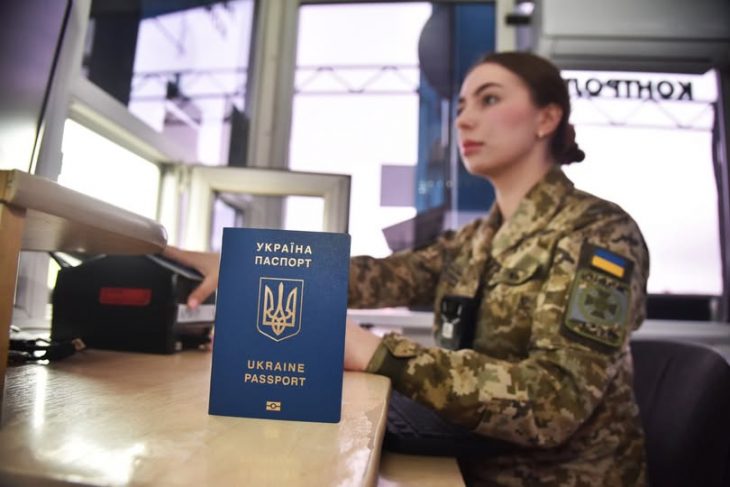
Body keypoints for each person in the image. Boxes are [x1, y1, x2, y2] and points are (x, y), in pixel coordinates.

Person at [164, 51, 649, 486]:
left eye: (489, 99)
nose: (464, 120)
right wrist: (247, 265)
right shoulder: (476, 239)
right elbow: (382, 276)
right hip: (468, 457)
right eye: (461, 106)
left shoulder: (599, 233)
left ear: (546, 118)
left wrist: (379, 353)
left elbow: (556, 401)